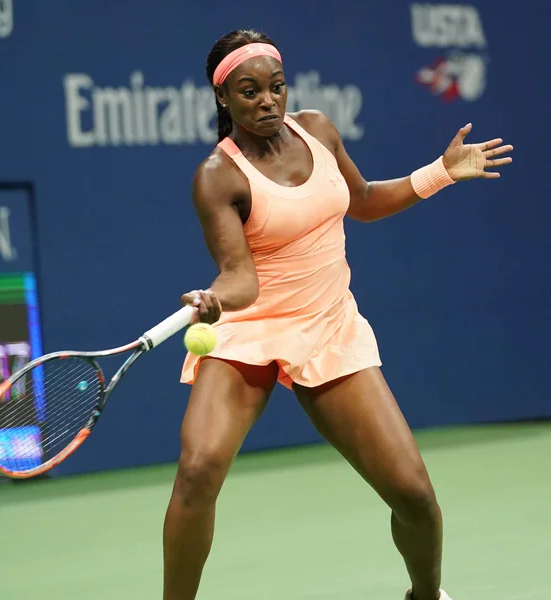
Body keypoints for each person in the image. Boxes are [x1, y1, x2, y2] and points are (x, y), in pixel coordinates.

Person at [165, 29, 513, 600]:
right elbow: (241, 278)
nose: (267, 101)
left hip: (328, 327)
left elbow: (365, 200)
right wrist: (213, 300)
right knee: (198, 470)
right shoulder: (217, 177)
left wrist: (441, 171)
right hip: (248, 329)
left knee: (415, 496)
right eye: (249, 92)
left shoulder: (318, 129)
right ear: (222, 99)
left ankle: (427, 596)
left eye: (275, 87)